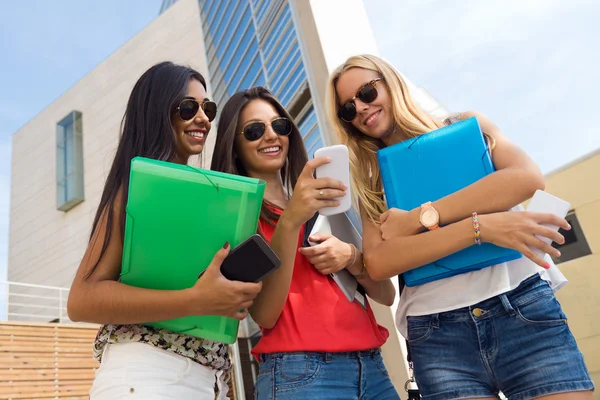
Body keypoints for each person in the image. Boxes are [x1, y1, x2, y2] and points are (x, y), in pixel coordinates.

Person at [326, 54, 595, 400]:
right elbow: (379, 262)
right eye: (348, 109)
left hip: (521, 306)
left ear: (389, 82)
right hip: (437, 333)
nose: (361, 108)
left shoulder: (465, 125)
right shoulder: (370, 179)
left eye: (366, 92)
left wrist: (418, 219)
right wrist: (479, 227)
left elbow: (526, 178)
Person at [67, 61, 262, 400]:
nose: (203, 118)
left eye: (208, 109)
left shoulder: (213, 198)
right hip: (146, 377)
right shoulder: (134, 190)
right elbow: (81, 300)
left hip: (207, 381)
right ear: (157, 112)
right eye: (189, 108)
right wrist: (196, 299)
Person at [211, 86, 400, 400]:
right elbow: (266, 315)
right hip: (299, 376)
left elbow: (386, 294)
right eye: (255, 130)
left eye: (279, 125)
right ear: (234, 146)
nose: (271, 136)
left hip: (371, 369)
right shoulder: (236, 218)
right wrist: (290, 220)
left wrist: (352, 257)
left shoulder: (326, 204)